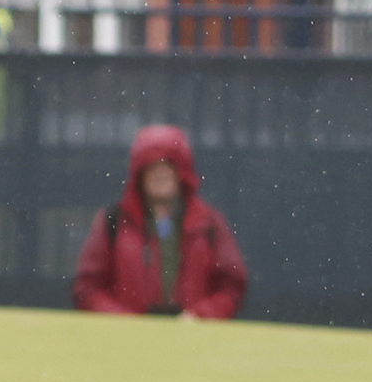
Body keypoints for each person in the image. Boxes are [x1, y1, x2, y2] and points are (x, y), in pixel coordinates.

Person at [72, 124, 248, 321]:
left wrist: (200, 316)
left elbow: (231, 287)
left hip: (193, 344)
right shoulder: (114, 221)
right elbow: (88, 288)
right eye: (151, 166)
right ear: (139, 174)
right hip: (128, 346)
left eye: (168, 166)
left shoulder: (209, 224)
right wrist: (122, 321)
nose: (160, 174)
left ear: (182, 172)